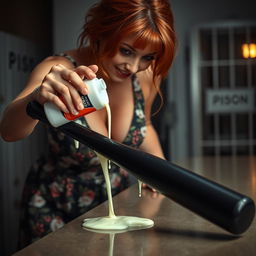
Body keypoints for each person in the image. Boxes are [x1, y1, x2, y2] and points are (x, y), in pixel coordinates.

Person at [0, 0, 176, 247]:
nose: (134, 67)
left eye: (147, 57)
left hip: (115, 205)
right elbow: (9, 131)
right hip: (55, 207)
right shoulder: (57, 70)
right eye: (126, 50)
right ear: (101, 31)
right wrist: (36, 98)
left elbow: (144, 125)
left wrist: (159, 173)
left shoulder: (143, 78)